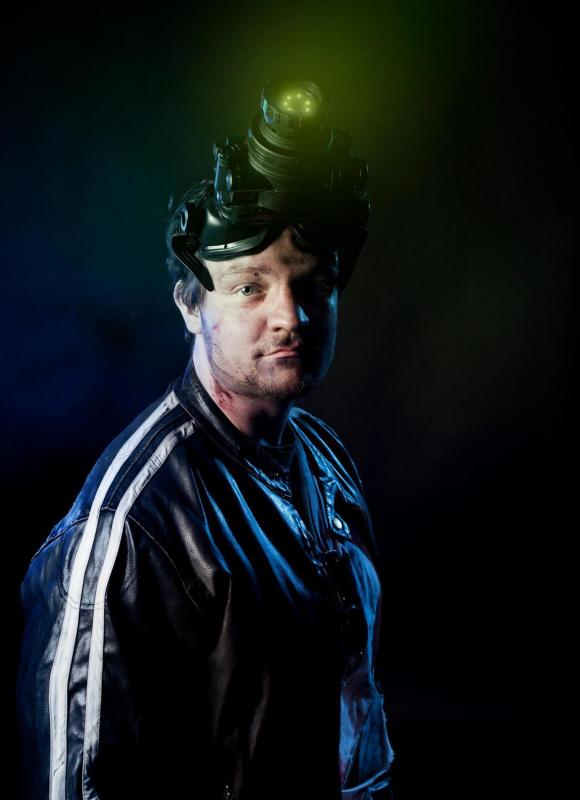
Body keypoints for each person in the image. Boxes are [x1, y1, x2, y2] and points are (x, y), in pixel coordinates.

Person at [16, 77, 395, 800]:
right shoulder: (131, 526)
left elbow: (355, 712)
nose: (290, 316)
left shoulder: (326, 462)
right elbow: (75, 786)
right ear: (191, 307)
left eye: (314, 284)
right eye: (250, 286)